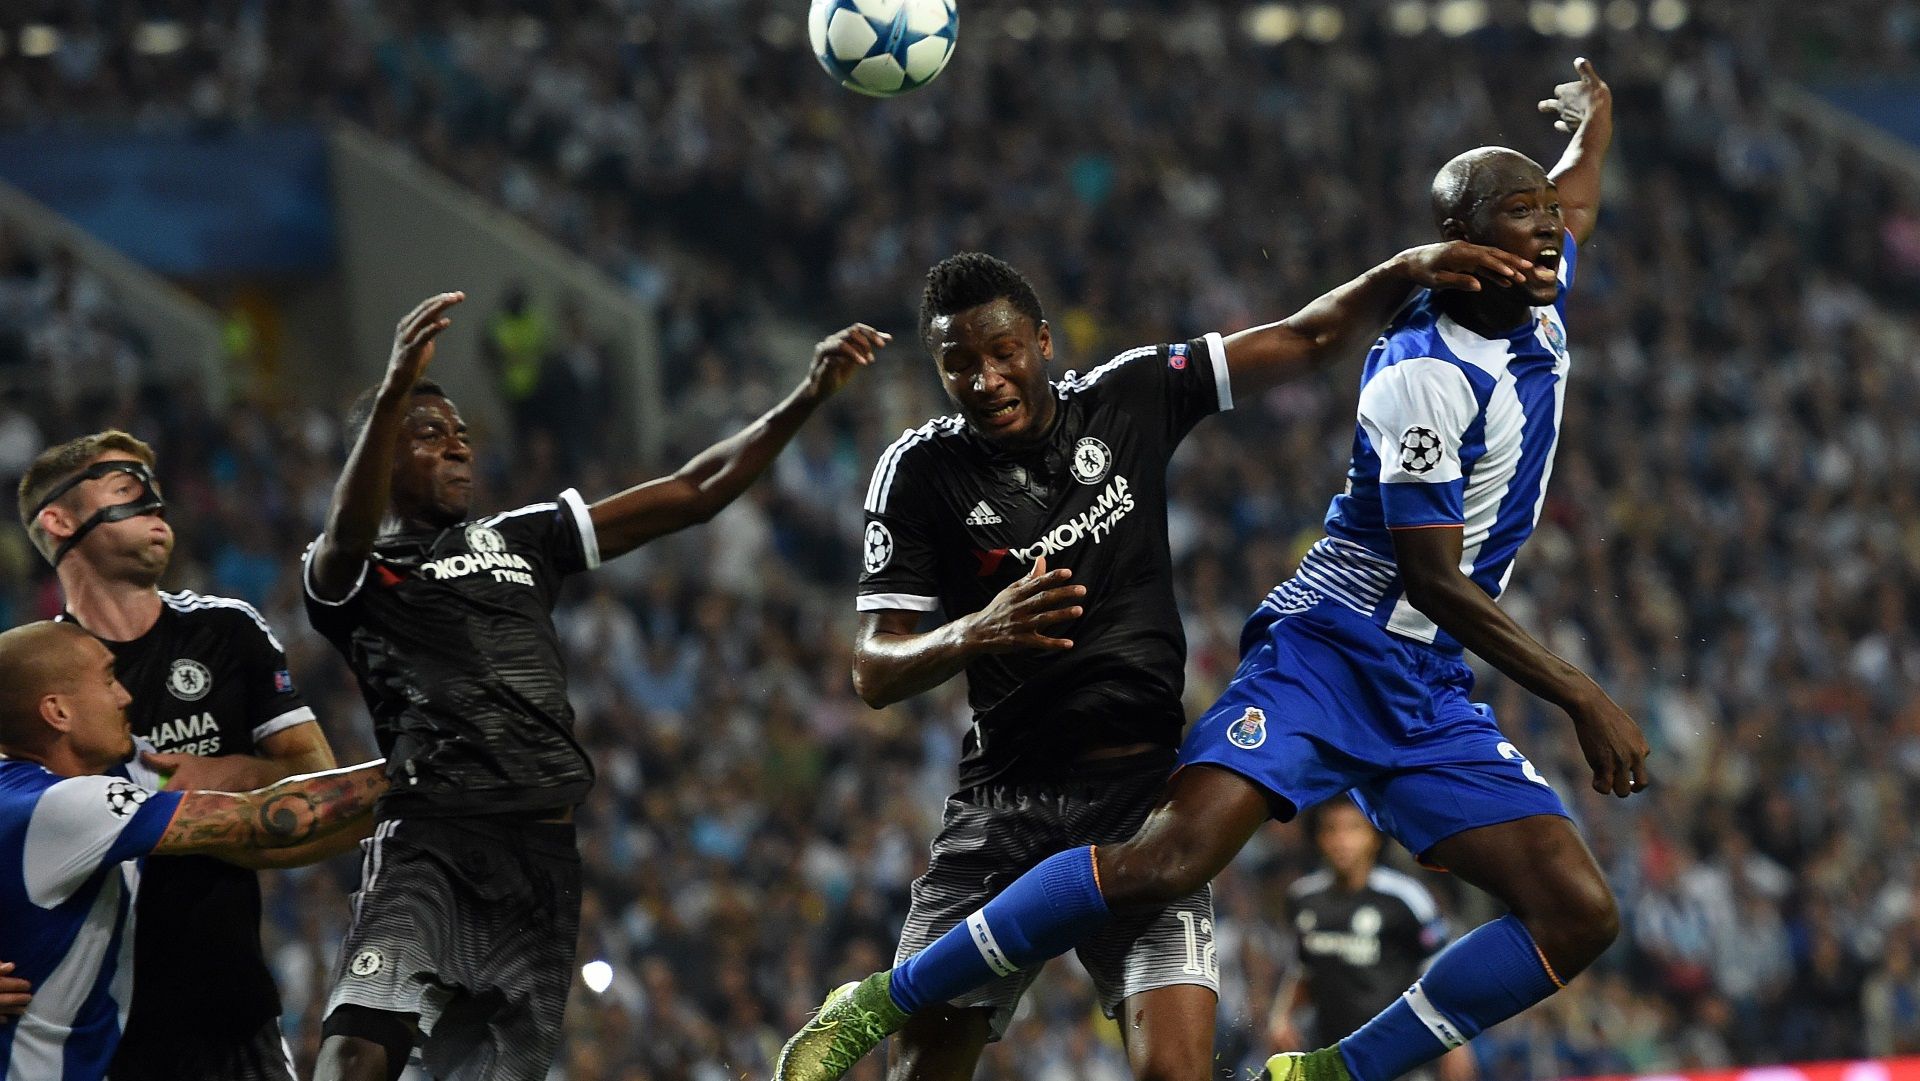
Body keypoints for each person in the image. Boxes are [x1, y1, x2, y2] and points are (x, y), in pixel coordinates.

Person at [773, 58, 1646, 1081]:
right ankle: (878, 1001)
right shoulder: (1423, 377)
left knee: (1579, 912)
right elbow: (1432, 580)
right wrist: (1581, 694)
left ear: (1042, 343)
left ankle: (1324, 1074)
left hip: (1422, 681)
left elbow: (1570, 197)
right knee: (1169, 863)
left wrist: (1596, 121)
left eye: (1547, 214)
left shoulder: (1543, 277)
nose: (1547, 229)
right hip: (1330, 652)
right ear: (1466, 245)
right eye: (1519, 215)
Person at [303, 292, 885, 1081]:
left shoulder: (521, 537)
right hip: (435, 841)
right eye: (430, 433)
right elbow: (346, 531)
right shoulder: (355, 571)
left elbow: (694, 490)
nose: (459, 447)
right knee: (356, 1053)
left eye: (463, 434)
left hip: (542, 859)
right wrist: (396, 383)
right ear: (379, 454)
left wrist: (805, 395)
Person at [12, 429, 340, 1081]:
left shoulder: (227, 629)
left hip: (234, 1013)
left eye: (156, 491)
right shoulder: (28, 677)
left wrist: (208, 779)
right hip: (96, 1040)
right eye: (128, 490)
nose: (155, 504)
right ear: (60, 520)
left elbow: (320, 785)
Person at [0, 620, 384, 1080]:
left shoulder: (122, 768)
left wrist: (415, 807)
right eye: (108, 679)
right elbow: (264, 822)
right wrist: (416, 772)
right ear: (58, 712)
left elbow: (269, 838)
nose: (125, 696)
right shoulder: (56, 807)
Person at [1268, 800, 1474, 1081]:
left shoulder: (1405, 898)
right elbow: (1303, 969)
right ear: (1319, 837)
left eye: (1353, 829)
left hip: (1401, 1056)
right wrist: (1281, 1017)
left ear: (1374, 837)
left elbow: (1438, 970)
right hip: (1330, 1052)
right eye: (1332, 829)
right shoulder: (1302, 898)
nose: (1342, 841)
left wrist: (1456, 1044)